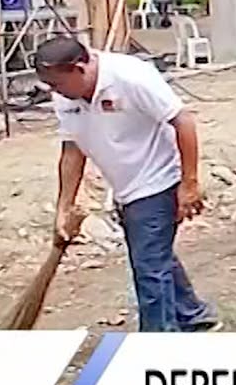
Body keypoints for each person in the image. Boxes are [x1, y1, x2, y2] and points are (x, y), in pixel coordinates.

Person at [38, 36, 216, 333]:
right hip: (125, 187)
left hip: (159, 180)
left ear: (79, 68)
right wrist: (64, 206)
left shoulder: (130, 76)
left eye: (58, 84)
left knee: (148, 267)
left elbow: (183, 121)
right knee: (154, 254)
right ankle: (192, 313)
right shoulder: (65, 95)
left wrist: (189, 183)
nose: (54, 93)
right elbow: (72, 149)